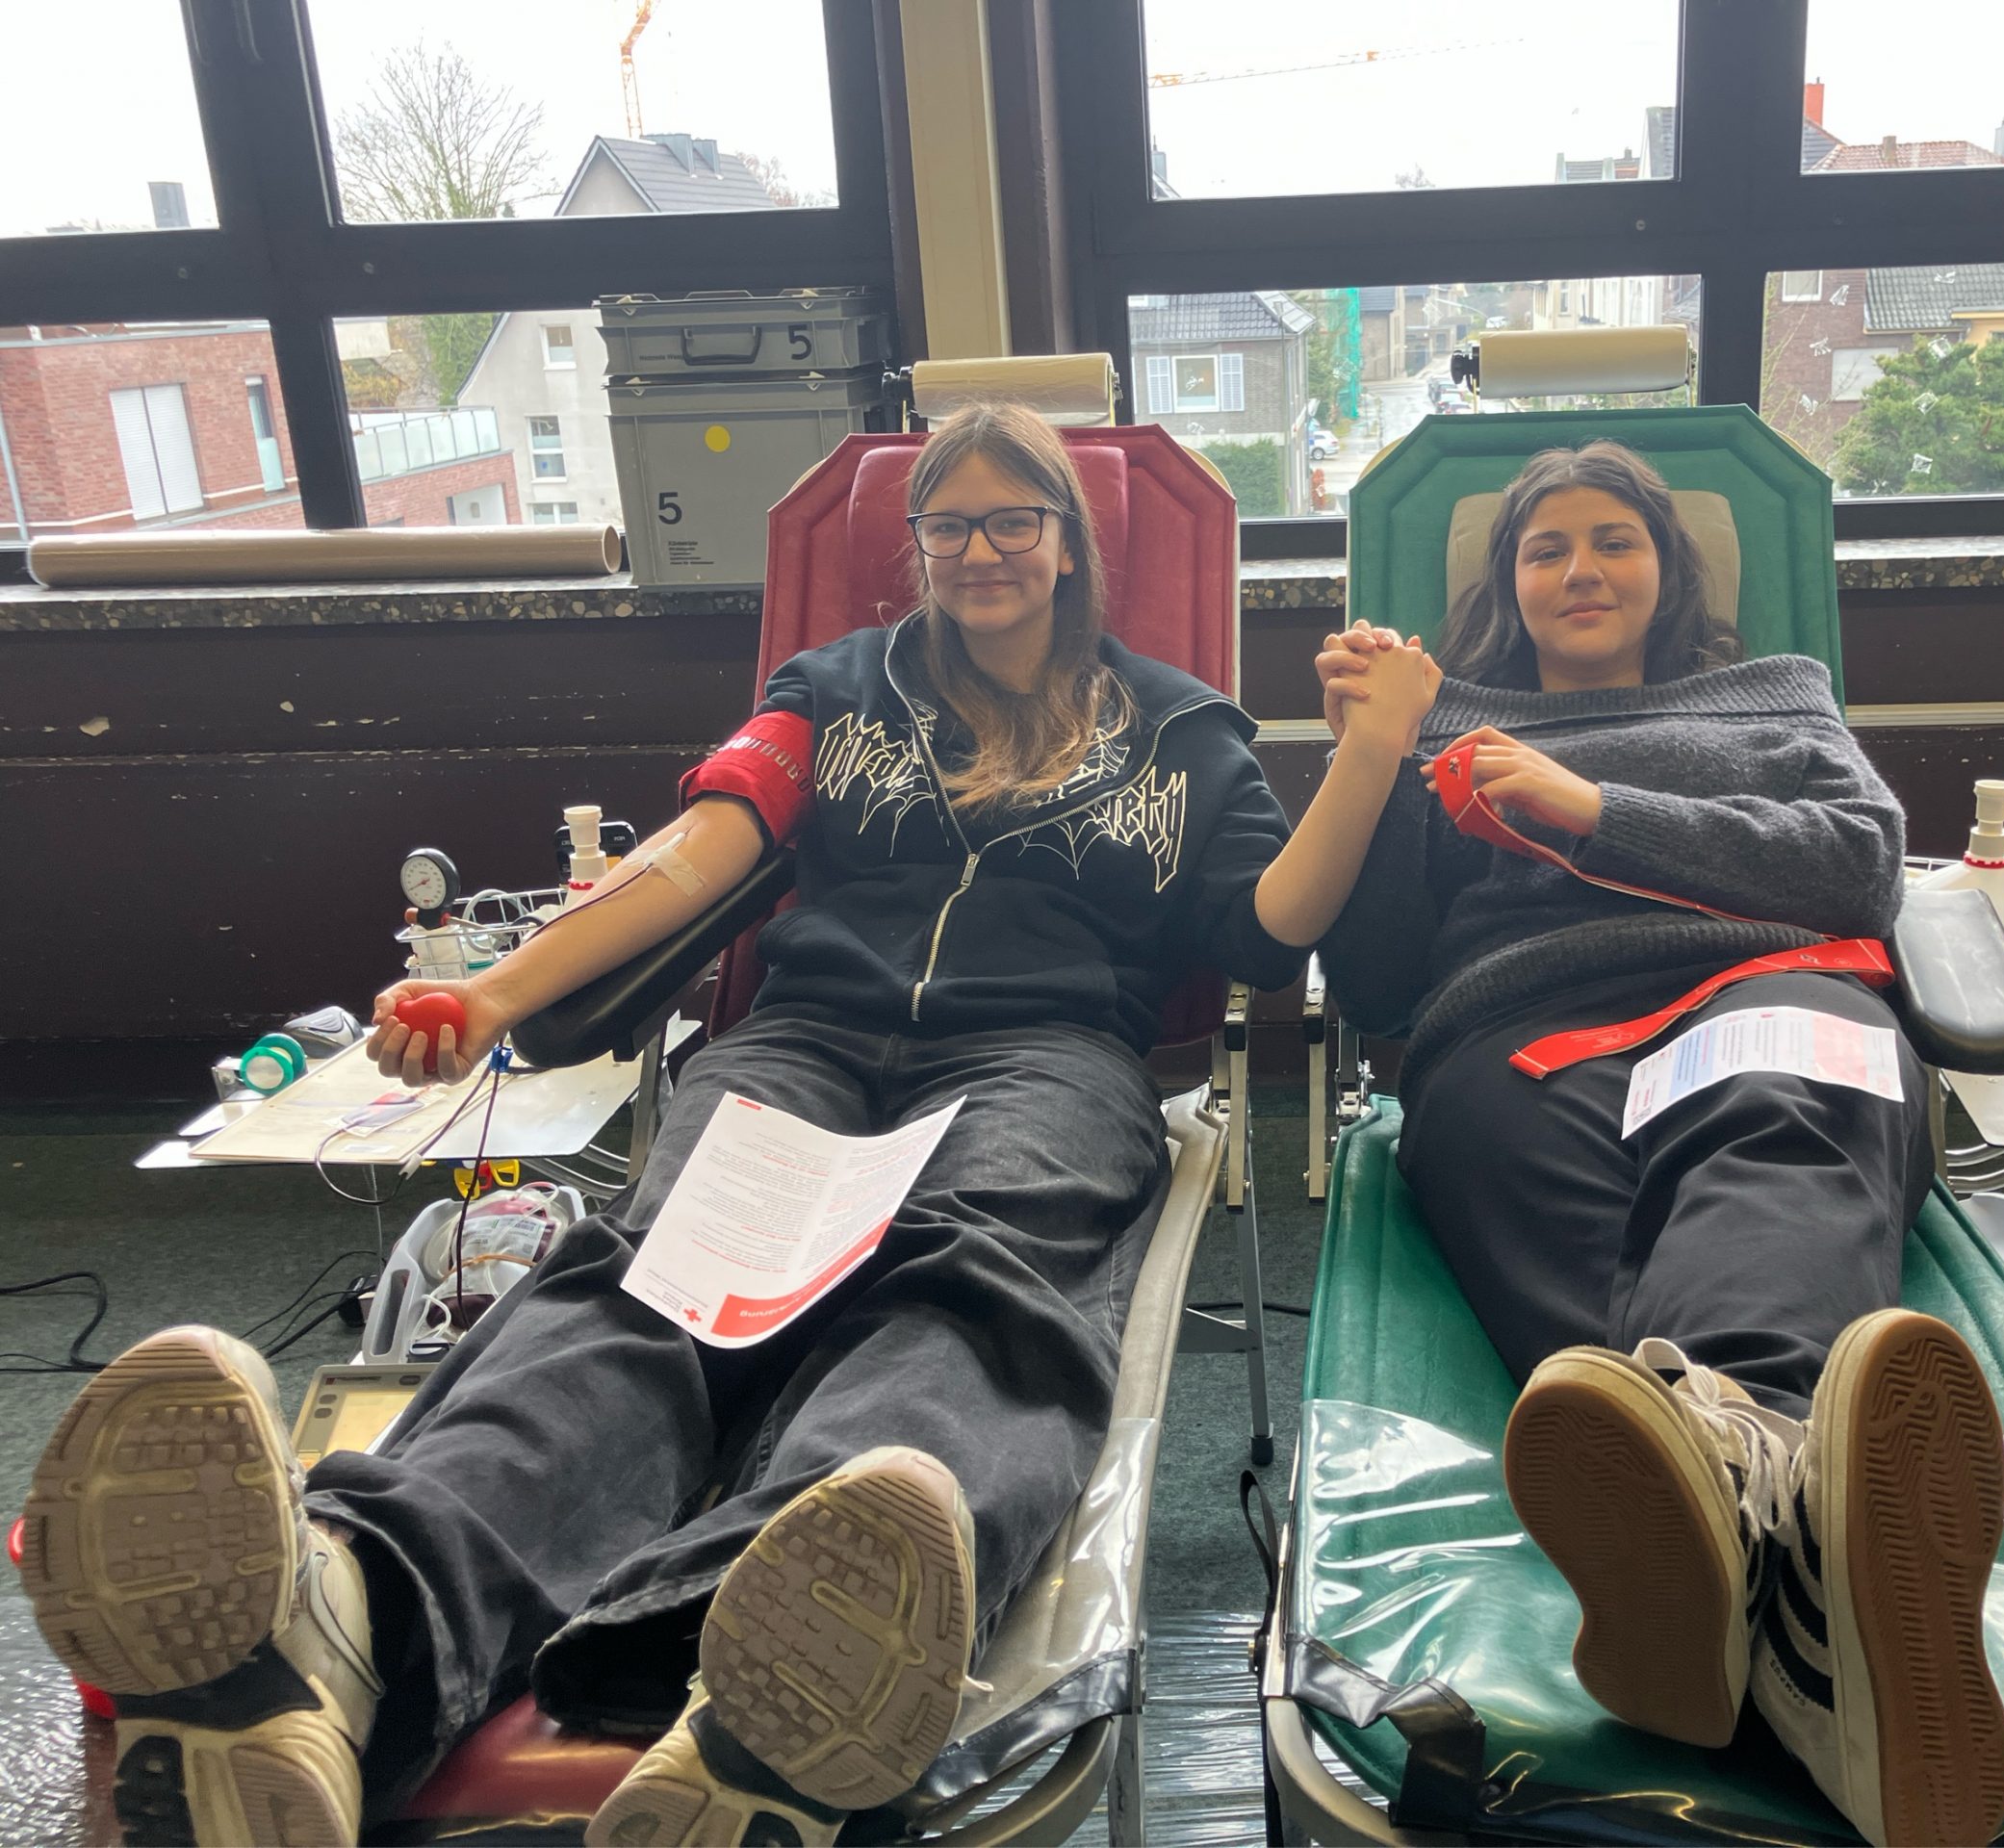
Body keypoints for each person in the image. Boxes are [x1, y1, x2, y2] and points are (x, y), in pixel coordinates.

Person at [22, 402, 1441, 1848]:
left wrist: (1372, 752)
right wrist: (499, 991)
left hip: (1048, 1058)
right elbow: (705, 849)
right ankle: (352, 1616)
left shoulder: (1186, 733)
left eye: (1016, 520)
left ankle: (786, 1653)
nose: (982, 551)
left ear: (1069, 544)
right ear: (918, 547)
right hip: (811, 1038)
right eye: (949, 525)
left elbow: (1272, 933)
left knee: (978, 1283)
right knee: (660, 1283)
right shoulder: (837, 689)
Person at [1314, 440, 2004, 1847]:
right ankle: (1811, 1620)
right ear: (1508, 586)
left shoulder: (1775, 696)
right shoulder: (1446, 725)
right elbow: (1378, 983)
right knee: (1585, 1234)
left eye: (1613, 540)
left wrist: (1593, 809)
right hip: (1518, 1036)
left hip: (1761, 982)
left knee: (1775, 1133)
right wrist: (1373, 759)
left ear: (1669, 565)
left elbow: (1859, 866)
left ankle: (1725, 1518)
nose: (1580, 569)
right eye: (1546, 549)